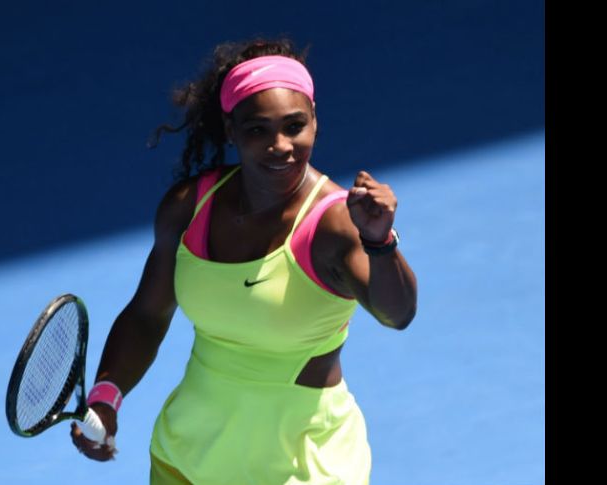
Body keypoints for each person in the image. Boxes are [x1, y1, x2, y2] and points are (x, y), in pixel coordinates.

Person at [70, 38, 418, 484]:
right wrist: (106, 395)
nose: (281, 145)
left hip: (306, 467)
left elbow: (397, 314)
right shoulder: (188, 206)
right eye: (258, 130)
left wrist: (378, 241)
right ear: (230, 130)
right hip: (190, 458)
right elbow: (147, 315)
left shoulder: (334, 225)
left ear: (315, 121)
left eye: (295, 126)